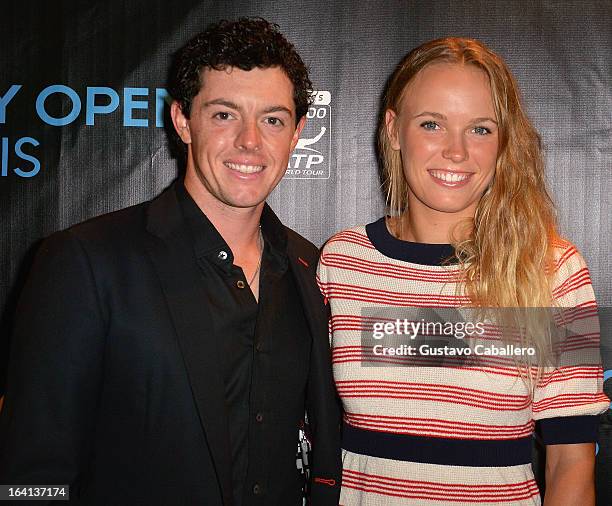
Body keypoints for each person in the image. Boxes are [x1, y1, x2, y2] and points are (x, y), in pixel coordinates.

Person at [0, 18, 341, 506]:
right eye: (224, 115)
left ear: (297, 132)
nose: (250, 141)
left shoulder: (309, 267)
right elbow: (30, 476)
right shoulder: (86, 262)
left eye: (272, 119)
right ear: (183, 120)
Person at [317, 37, 608, 505]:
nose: (456, 151)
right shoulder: (342, 263)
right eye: (432, 124)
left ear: (504, 141)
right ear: (394, 130)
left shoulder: (553, 270)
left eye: (480, 129)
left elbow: (571, 460)